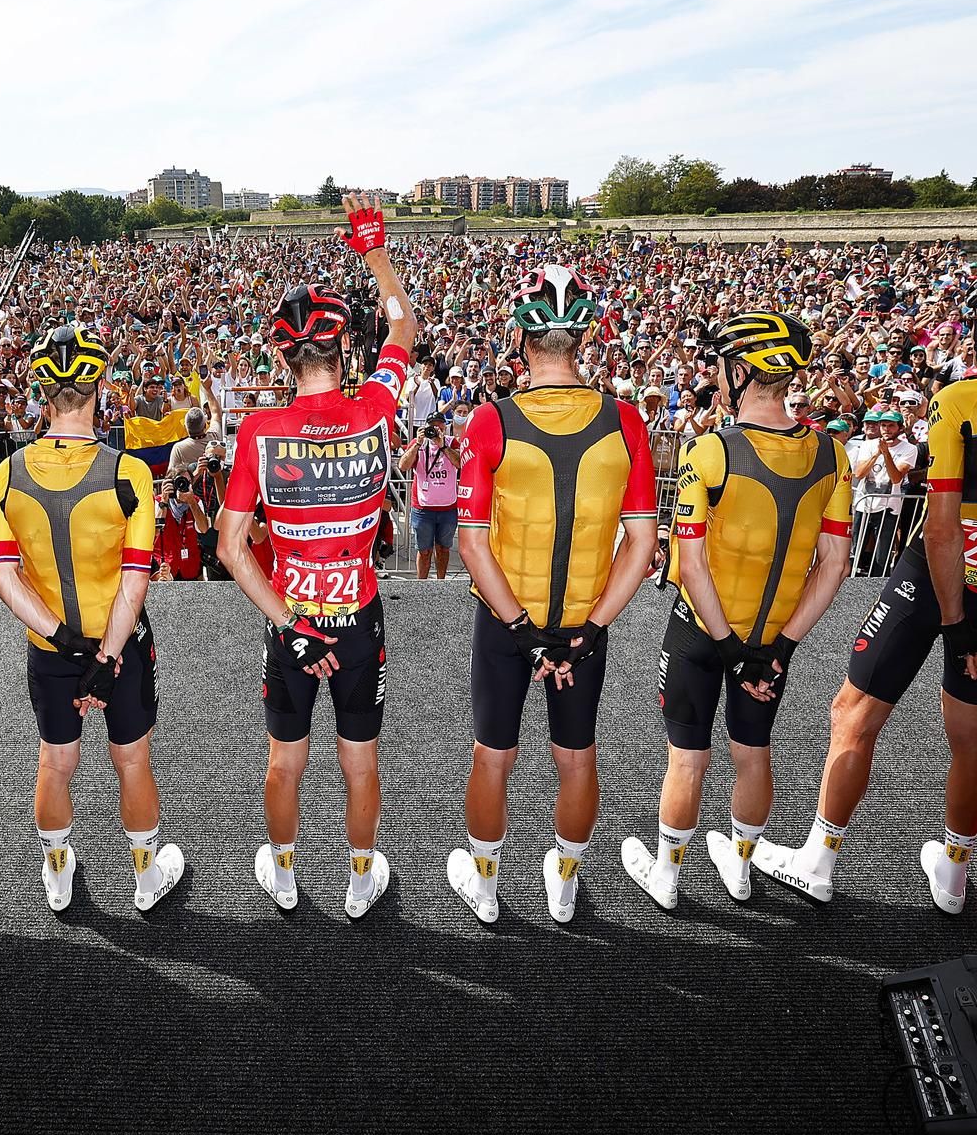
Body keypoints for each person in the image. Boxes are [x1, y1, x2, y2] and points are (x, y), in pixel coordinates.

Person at [755, 261, 977, 914]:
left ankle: (818, 859)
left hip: (935, 586)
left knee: (853, 715)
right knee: (973, 733)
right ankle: (953, 871)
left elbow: (942, 531)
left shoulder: (961, 401)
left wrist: (952, 620)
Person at [215, 192, 416, 919]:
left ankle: (288, 874)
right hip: (359, 617)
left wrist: (290, 623)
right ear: (344, 352)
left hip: (293, 618)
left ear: (282, 355)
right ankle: (361, 879)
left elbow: (230, 546)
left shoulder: (259, 432)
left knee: (285, 760)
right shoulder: (376, 408)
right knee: (358, 760)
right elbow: (405, 326)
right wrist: (374, 253)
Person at [617, 313, 853, 909]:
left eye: (724, 366)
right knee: (753, 754)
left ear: (742, 371)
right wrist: (782, 645)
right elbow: (834, 566)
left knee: (687, 758)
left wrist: (725, 643)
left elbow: (691, 563)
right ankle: (742, 868)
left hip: (703, 631)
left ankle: (668, 877)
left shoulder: (712, 450)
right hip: (772, 636)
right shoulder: (832, 455)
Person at [446, 264, 657, 925]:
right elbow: (642, 544)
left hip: (509, 624)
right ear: (586, 335)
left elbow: (472, 543)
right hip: (580, 628)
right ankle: (563, 884)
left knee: (493, 754)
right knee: (575, 756)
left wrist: (518, 628)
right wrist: (590, 629)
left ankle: (485, 886)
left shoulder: (490, 421)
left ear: (522, 339)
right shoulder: (627, 421)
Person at [0, 323, 185, 914]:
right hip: (119, 645)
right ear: (98, 389)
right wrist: (103, 655)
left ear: (41, 394)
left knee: (56, 761)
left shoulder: (9, 473)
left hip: (52, 649)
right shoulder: (129, 473)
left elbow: (1, 576)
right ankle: (147, 879)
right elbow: (134, 578)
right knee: (132, 759)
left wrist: (63, 640)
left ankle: (57, 872)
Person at [845, 410, 917, 575]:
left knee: (882, 555)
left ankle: (876, 587)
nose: (886, 429)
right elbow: (860, 473)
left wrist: (885, 454)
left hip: (889, 508)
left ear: (900, 428)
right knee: (855, 549)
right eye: (883, 425)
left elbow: (896, 478)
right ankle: (848, 585)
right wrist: (877, 453)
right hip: (864, 504)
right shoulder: (868, 445)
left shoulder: (909, 449)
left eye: (891, 425)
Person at [399, 413, 460, 579]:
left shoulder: (451, 442)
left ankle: (441, 582)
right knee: (424, 550)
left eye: (440, 425)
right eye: (433, 426)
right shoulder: (418, 443)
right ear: (426, 428)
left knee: (443, 548)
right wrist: (417, 444)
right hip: (423, 508)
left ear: (445, 427)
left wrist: (443, 447)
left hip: (448, 507)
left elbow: (460, 463)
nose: (437, 429)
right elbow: (403, 466)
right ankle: (422, 585)